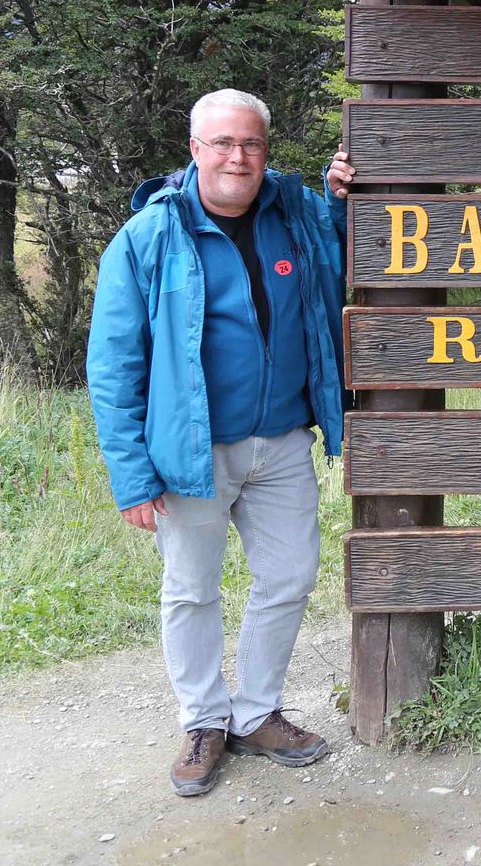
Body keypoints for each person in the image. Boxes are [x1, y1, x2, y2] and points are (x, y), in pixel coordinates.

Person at [86, 89, 357, 797]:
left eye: (252, 144)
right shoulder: (148, 238)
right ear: (195, 149)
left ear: (267, 149)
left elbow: (339, 261)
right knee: (190, 590)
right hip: (190, 454)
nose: (239, 157)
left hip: (283, 442)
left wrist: (339, 199)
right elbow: (114, 364)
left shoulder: (293, 213)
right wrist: (132, 474)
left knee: (291, 577)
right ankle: (204, 721)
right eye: (224, 144)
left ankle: (256, 712)